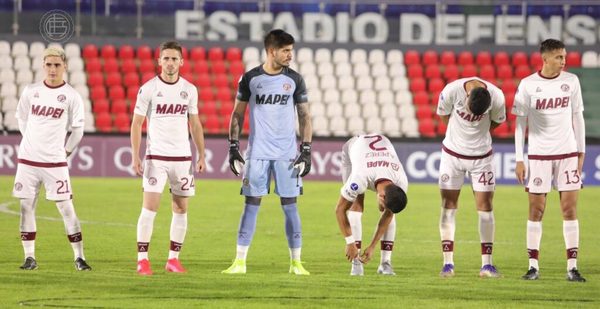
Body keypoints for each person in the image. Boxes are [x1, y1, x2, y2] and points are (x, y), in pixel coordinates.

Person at [222, 29, 312, 275]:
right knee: (251, 204)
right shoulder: (250, 78)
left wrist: (306, 150)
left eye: (291, 51)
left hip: (287, 155)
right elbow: (237, 114)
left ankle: (296, 263)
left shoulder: (295, 79)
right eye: (286, 51)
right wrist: (233, 146)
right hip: (257, 154)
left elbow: (304, 115)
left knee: (290, 206)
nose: (290, 56)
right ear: (272, 51)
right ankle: (239, 262)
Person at [513, 38, 586, 282]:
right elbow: (519, 123)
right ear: (545, 59)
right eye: (558, 57)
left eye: (564, 57)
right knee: (536, 210)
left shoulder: (571, 81)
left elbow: (578, 118)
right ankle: (533, 266)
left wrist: (581, 152)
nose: (564, 61)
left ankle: (572, 267)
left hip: (567, 154)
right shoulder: (528, 85)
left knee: (569, 209)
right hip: (538, 155)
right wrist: (519, 158)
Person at [12, 46, 91, 271]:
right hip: (28, 161)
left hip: (55, 163)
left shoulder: (71, 96)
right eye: (49, 65)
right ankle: (29, 257)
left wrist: (65, 151)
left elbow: (78, 130)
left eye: (57, 65)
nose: (53, 69)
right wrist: (30, 141)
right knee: (26, 207)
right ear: (43, 66)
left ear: (65, 66)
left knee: (66, 208)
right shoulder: (31, 91)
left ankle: (79, 256)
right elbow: (22, 118)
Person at [131, 41, 206, 276]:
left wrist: (201, 154)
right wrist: (136, 155)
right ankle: (142, 260)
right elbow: (137, 123)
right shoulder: (148, 88)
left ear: (181, 62)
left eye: (174, 59)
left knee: (181, 209)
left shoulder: (190, 89)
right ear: (159, 61)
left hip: (182, 159)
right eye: (166, 58)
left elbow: (194, 123)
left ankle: (173, 259)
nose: (170, 63)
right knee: (150, 208)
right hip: (156, 158)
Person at [436, 77, 506, 278]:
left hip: (482, 158)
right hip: (451, 156)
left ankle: (487, 265)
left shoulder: (497, 97)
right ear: (466, 96)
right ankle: (447, 264)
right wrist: (458, 137)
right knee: (448, 205)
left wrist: (477, 136)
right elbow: (443, 114)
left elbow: (497, 122)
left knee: (485, 207)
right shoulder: (451, 91)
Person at [335, 134, 408, 276]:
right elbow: (339, 210)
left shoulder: (401, 182)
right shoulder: (359, 179)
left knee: (389, 213)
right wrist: (350, 242)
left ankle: (385, 263)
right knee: (356, 207)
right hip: (353, 151)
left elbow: (388, 213)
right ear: (381, 196)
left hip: (377, 151)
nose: (382, 209)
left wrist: (372, 246)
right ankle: (356, 263)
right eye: (383, 204)